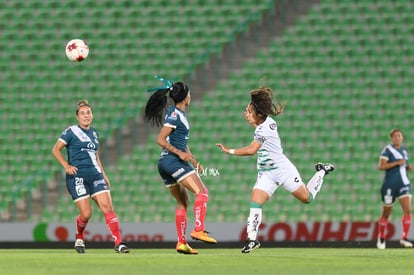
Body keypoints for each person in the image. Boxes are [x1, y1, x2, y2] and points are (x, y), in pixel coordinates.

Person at [216, 86, 335, 254]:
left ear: (258, 114)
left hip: (283, 170)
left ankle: (321, 171)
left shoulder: (266, 127)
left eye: (248, 111)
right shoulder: (261, 125)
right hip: (267, 173)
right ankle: (251, 239)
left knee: (307, 198)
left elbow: (251, 150)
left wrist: (229, 150)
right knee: (255, 202)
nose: (245, 113)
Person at [144, 75, 217, 255]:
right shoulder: (176, 115)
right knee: (202, 192)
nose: (190, 97)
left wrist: (192, 158)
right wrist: (179, 153)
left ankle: (181, 243)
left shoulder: (175, 114)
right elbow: (160, 139)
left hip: (165, 163)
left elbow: (179, 140)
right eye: (189, 94)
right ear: (185, 97)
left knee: (182, 203)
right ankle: (198, 229)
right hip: (172, 160)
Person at [52, 100, 130, 254]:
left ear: (92, 115)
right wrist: (66, 167)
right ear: (77, 117)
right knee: (86, 214)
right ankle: (79, 237)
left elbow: (95, 155)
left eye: (88, 112)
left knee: (107, 207)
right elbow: (55, 150)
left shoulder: (94, 133)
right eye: (82, 113)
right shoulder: (71, 131)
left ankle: (119, 242)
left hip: (95, 175)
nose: (86, 116)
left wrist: (104, 174)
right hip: (77, 177)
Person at [376, 128, 413, 249]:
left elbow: (404, 164)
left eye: (399, 136)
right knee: (387, 213)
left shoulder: (404, 151)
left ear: (402, 138)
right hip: (389, 185)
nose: (397, 138)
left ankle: (404, 237)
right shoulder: (387, 150)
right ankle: (381, 236)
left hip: (403, 184)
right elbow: (381, 166)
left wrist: (407, 167)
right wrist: (396, 163)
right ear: (392, 138)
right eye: (395, 136)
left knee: (407, 210)